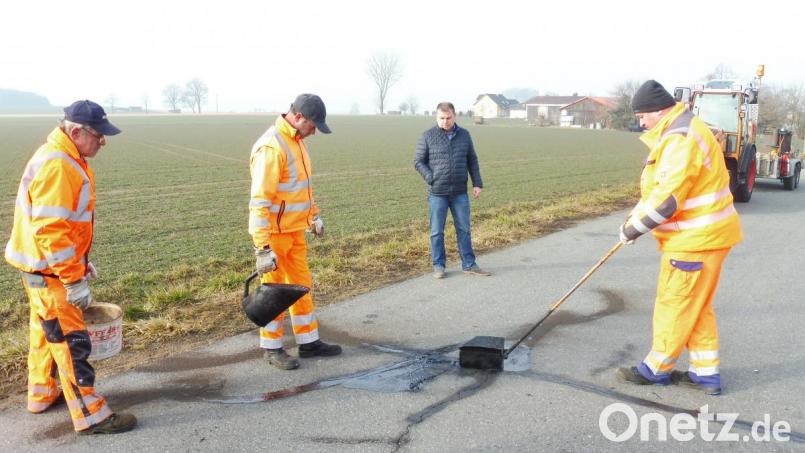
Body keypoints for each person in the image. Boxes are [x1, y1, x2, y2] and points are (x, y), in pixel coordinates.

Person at [4, 100, 137, 434]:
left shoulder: (65, 156)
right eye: (98, 135)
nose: (102, 141)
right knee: (68, 341)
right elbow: (51, 229)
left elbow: (63, 225)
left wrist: (81, 263)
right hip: (50, 273)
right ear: (75, 131)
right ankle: (91, 414)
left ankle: (42, 394)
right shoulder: (60, 165)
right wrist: (73, 278)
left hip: (38, 268)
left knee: (45, 333)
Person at [615, 80, 743, 396]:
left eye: (642, 116)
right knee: (696, 306)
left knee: (674, 304)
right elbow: (658, 189)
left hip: (695, 241)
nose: (640, 122)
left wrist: (634, 230)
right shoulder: (681, 131)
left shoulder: (681, 138)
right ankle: (705, 372)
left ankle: (656, 369)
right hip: (705, 238)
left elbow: (669, 200)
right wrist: (632, 218)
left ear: (659, 111)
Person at [248, 93, 342, 370]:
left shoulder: (296, 142)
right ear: (298, 117)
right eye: (312, 125)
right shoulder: (272, 147)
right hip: (275, 236)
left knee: (302, 287)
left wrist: (314, 216)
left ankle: (308, 342)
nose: (314, 132)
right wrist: (262, 248)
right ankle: (272, 347)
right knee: (274, 295)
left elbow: (302, 189)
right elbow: (260, 202)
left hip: (295, 231)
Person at [414, 102, 490, 279]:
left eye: (448, 118)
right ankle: (439, 266)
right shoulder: (427, 136)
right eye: (441, 118)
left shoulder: (464, 135)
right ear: (436, 117)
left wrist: (477, 183)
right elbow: (418, 161)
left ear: (454, 116)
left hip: (459, 192)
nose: (445, 122)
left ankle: (469, 264)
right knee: (436, 231)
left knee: (464, 229)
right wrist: (431, 178)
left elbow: (472, 160)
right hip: (437, 193)